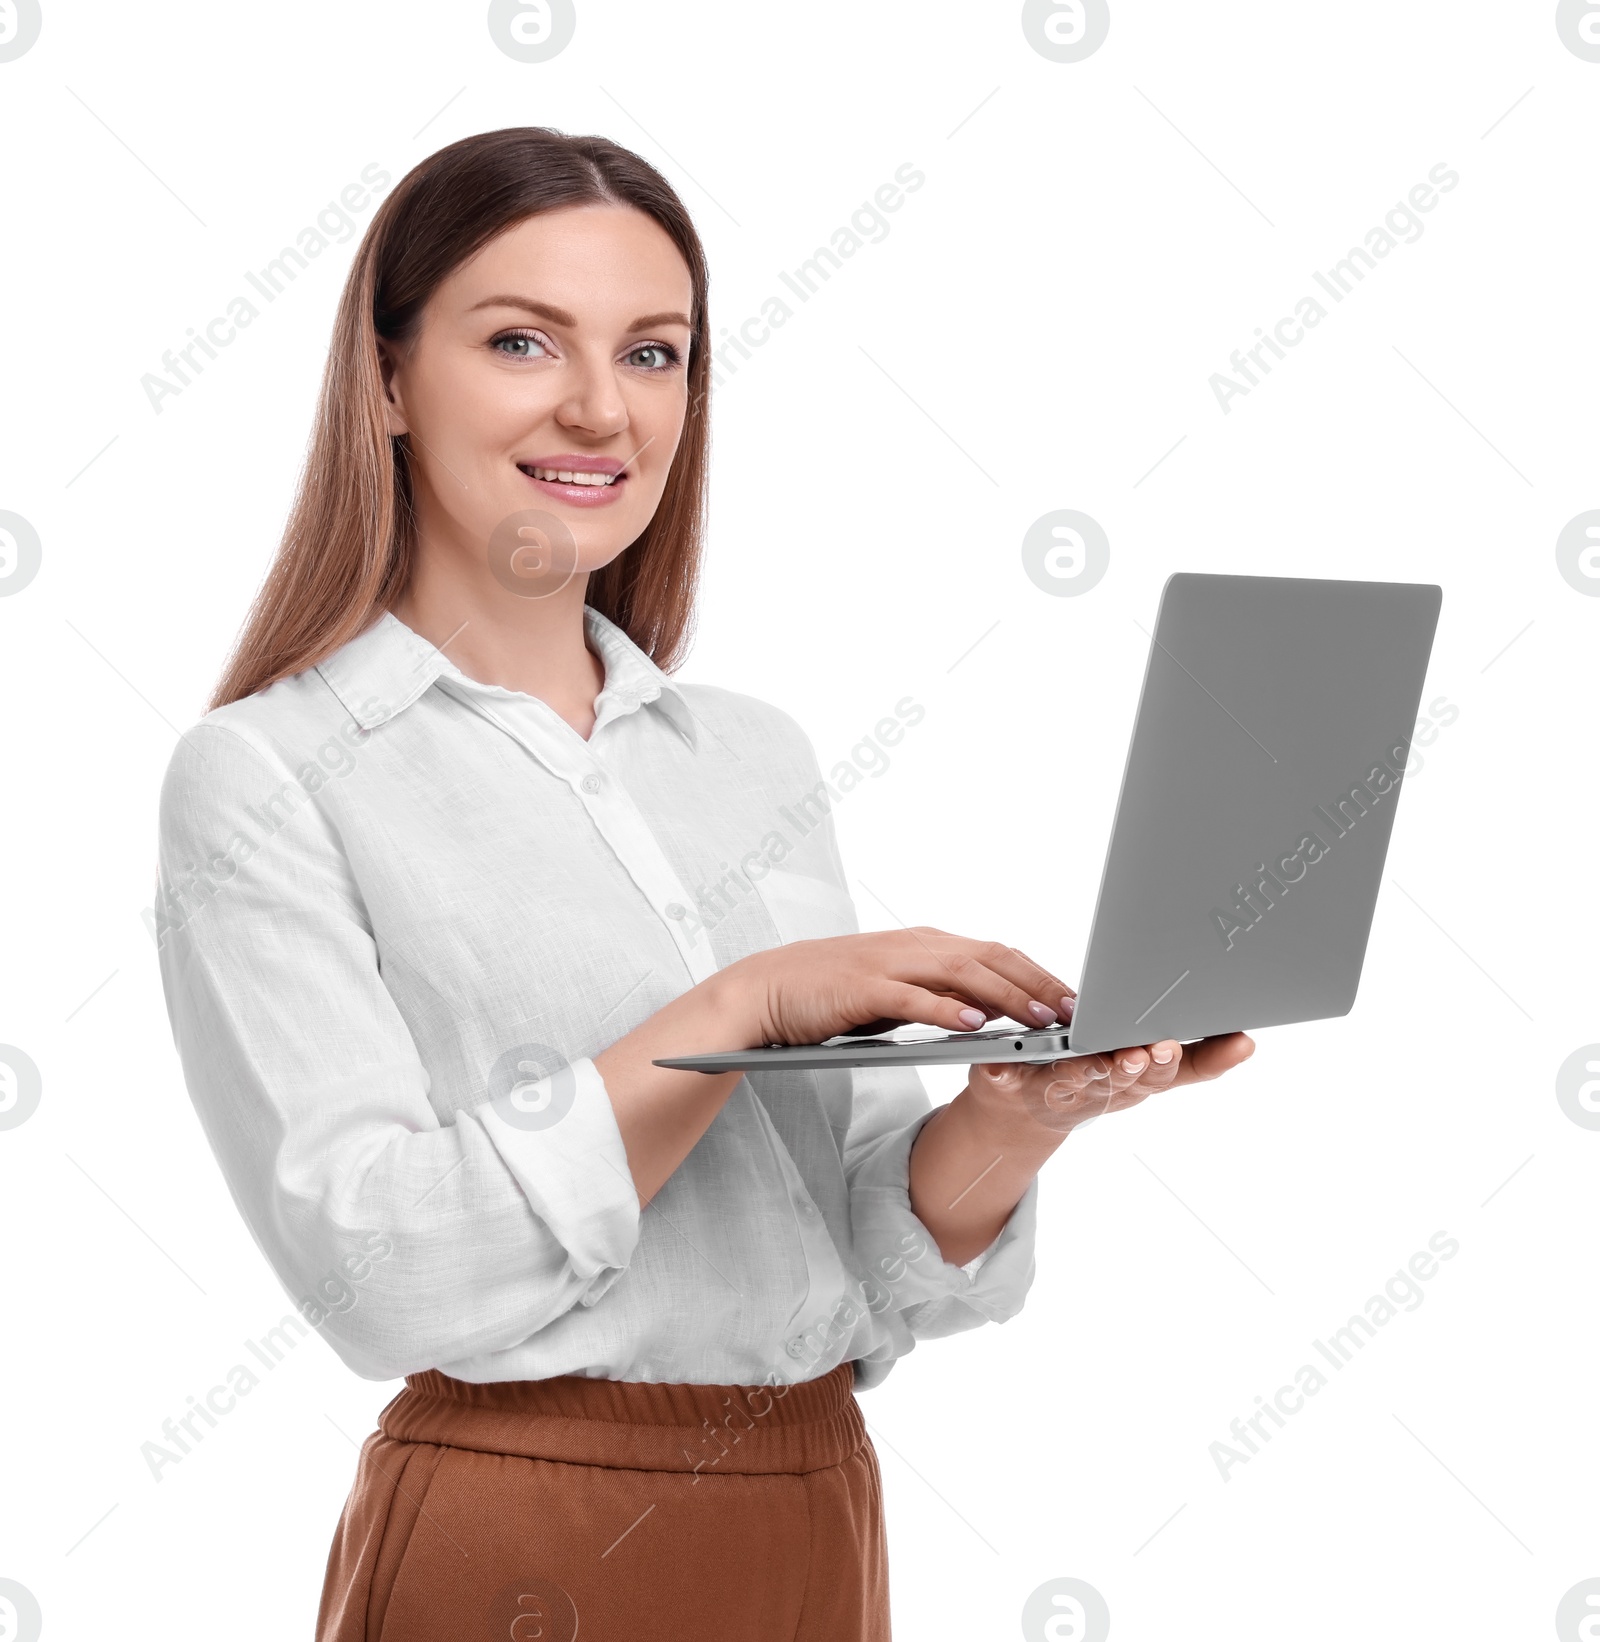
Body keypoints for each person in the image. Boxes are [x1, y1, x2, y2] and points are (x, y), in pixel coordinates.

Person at [154, 125, 1254, 1642]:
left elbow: (874, 1248)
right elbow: (378, 1269)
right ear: (390, 378)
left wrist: (1017, 1115)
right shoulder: (271, 775)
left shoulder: (751, 755)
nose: (602, 406)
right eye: (523, 339)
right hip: (527, 1535)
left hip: (816, 1507)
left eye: (655, 352)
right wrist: (740, 1005)